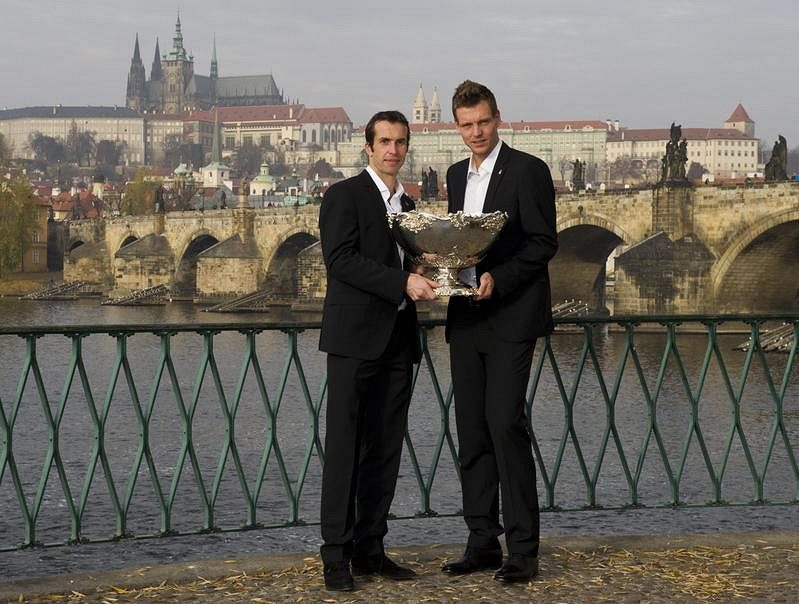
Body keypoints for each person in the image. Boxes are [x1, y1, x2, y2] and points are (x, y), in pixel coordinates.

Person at [317, 110, 440, 591]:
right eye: (384, 141)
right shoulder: (344, 195)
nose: (393, 150)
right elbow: (340, 261)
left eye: (401, 142)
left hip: (397, 341)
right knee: (346, 448)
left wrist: (433, 265)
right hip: (353, 342)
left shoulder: (408, 205)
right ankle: (335, 556)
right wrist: (403, 281)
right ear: (368, 147)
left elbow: (408, 260)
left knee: (385, 450)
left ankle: (371, 548)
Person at [441, 81, 558, 583]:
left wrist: (500, 278)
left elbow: (543, 242)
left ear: (497, 118)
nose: (476, 133)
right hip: (467, 316)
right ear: (457, 126)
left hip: (511, 314)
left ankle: (523, 550)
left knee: (505, 423)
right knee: (471, 430)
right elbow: (459, 244)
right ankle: (481, 541)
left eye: (483, 122)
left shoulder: (528, 170)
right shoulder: (452, 175)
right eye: (467, 125)